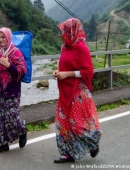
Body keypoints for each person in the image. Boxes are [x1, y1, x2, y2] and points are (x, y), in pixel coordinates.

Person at [52, 18, 102, 163]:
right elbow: (65, 66)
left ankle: (93, 143)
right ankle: (67, 153)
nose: (61, 35)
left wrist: (67, 74)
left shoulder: (82, 48)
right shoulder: (65, 47)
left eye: (63, 32)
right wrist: (58, 72)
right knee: (63, 124)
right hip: (65, 91)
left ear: (71, 31)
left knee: (79, 125)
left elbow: (88, 71)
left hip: (78, 93)